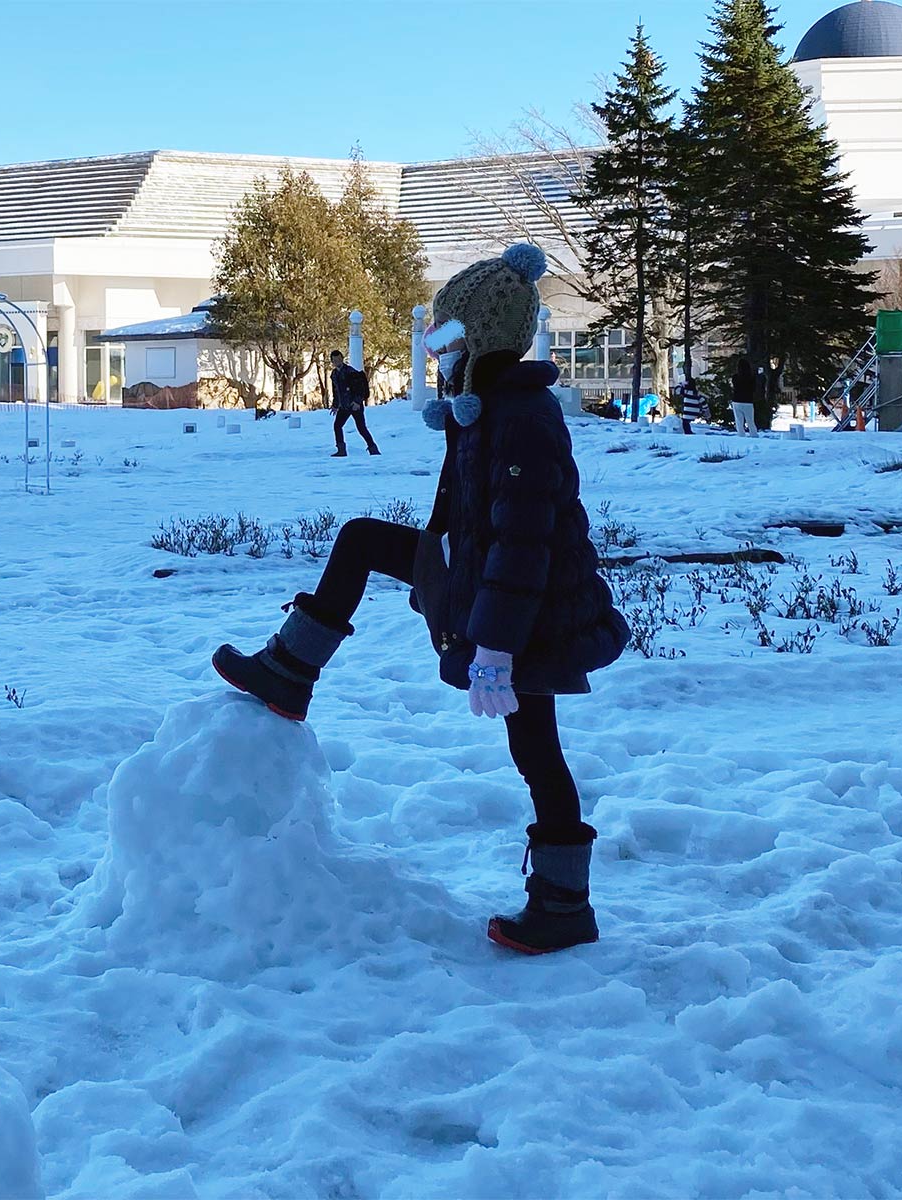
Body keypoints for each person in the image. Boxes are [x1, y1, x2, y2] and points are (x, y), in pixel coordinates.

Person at [212, 243, 630, 956]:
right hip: (475, 576)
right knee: (362, 538)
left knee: (537, 752)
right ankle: (291, 670)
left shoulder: (520, 416)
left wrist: (494, 647)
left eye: (444, 337)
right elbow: (468, 525)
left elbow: (521, 544)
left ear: (480, 339)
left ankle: (565, 901)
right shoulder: (480, 407)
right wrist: (438, 575)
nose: (433, 351)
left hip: (527, 615)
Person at [328, 350, 379, 457]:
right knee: (337, 426)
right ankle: (341, 450)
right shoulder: (334, 374)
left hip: (354, 405)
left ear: (342, 358)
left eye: (339, 359)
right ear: (332, 361)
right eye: (335, 360)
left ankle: (373, 449)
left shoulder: (351, 372)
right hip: (344, 406)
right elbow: (336, 391)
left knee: (361, 428)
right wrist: (335, 405)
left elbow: (360, 389)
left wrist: (357, 402)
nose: (337, 362)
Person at [730, 356, 759, 437]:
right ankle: (754, 435)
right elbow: (753, 389)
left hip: (736, 401)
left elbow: (734, 387)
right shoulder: (751, 378)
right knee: (750, 421)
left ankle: (741, 435)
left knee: (739, 421)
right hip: (748, 401)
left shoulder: (735, 377)